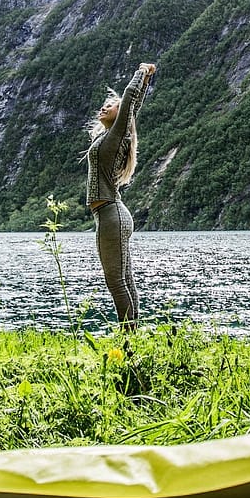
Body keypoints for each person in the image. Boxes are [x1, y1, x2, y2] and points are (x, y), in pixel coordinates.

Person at [85, 62, 156, 330]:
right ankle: (133, 335)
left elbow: (130, 102)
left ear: (119, 115)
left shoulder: (117, 135)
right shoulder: (111, 136)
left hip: (111, 214)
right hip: (113, 214)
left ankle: (128, 337)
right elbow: (133, 106)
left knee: (116, 280)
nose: (104, 107)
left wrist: (141, 72)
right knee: (125, 279)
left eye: (110, 106)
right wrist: (146, 82)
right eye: (104, 105)